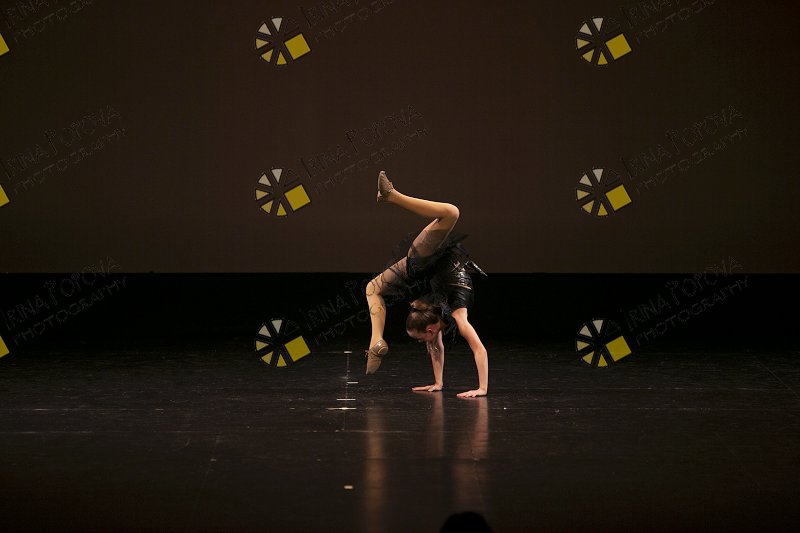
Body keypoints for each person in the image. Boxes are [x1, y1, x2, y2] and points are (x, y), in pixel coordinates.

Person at [364, 170, 489, 398]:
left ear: (430, 329)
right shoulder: (454, 314)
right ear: (432, 329)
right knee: (451, 213)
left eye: (420, 339)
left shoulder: (444, 314)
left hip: (424, 262)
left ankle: (376, 338)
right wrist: (439, 383)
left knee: (373, 289)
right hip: (427, 261)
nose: (423, 343)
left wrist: (481, 389)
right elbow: (470, 348)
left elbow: (443, 346)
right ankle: (376, 342)